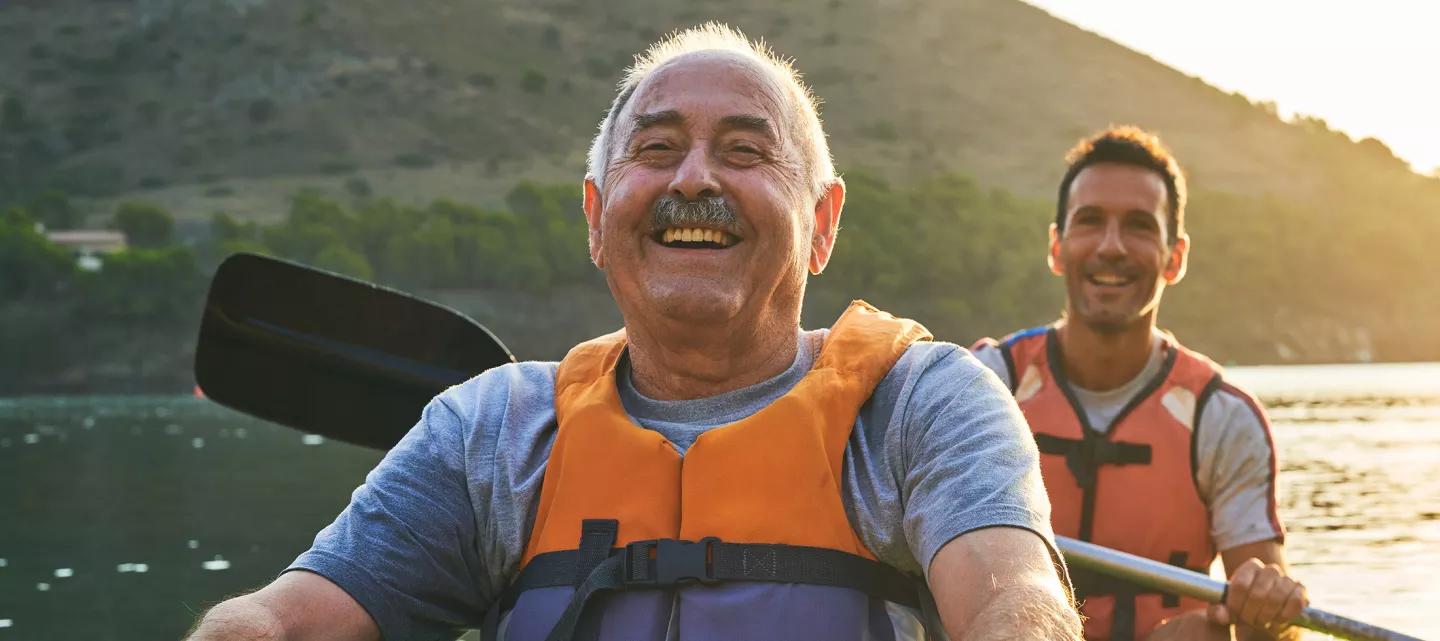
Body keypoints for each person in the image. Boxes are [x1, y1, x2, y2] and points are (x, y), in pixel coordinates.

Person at [185, 23, 1082, 641]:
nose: (694, 178)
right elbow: (288, 619)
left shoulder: (921, 403)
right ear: (595, 215)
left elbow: (1015, 602)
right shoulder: (491, 430)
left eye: (745, 150)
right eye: (655, 150)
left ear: (822, 224)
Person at [971, 127, 1308, 641]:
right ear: (1057, 247)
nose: (1112, 247)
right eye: (1090, 221)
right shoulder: (987, 385)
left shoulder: (1222, 418)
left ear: (1176, 257)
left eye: (1139, 226)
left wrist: (1270, 607)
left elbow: (1272, 633)